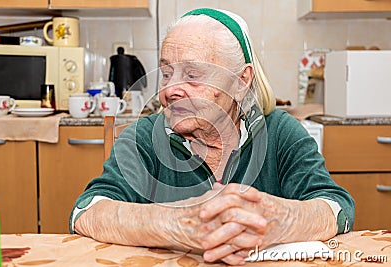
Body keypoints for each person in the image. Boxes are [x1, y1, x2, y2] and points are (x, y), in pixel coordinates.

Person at [70, 8, 354, 265]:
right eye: (167, 73)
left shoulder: (280, 131)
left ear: (241, 81)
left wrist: (282, 219)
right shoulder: (143, 137)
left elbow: (336, 206)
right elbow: (86, 212)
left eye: (193, 74)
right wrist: (178, 224)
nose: (170, 89)